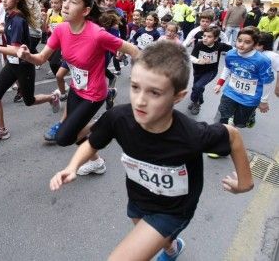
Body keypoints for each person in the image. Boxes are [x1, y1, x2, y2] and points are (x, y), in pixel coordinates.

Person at [49, 41, 254, 261]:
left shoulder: (191, 135)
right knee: (151, 232)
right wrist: (72, 166)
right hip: (138, 198)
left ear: (178, 96)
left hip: (175, 209)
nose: (140, 100)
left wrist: (245, 183)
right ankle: (172, 248)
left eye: (155, 93)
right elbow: (92, 142)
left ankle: (169, 244)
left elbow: (232, 134)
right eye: (135, 87)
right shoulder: (118, 118)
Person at [17, 0, 139, 174]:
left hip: (94, 94)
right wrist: (26, 56)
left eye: (72, 2)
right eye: (65, 0)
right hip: (76, 88)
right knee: (77, 132)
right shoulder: (61, 30)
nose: (65, 5)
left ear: (86, 10)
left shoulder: (97, 34)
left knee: (64, 137)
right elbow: (41, 58)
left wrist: (140, 80)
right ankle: (97, 162)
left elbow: (132, 49)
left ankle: (109, 122)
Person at [0, 0, 61, 142]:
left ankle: (51, 98)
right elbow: (7, 31)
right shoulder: (9, 14)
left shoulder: (19, 20)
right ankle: (1, 130)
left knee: (29, 101)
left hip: (23, 66)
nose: (4, 0)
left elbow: (16, 50)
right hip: (12, 64)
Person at [214, 27, 274, 132]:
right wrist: (220, 83)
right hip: (230, 92)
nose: (241, 45)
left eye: (247, 42)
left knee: (240, 123)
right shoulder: (231, 54)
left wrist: (264, 101)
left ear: (255, 45)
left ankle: (250, 116)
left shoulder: (262, 61)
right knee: (222, 117)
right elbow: (227, 68)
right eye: (239, 40)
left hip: (249, 98)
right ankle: (219, 137)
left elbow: (267, 81)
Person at [188, 27, 232, 115]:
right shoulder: (199, 44)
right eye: (204, 36)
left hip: (210, 71)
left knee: (198, 86)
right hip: (197, 70)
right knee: (196, 87)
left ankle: (197, 103)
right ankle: (195, 100)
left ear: (215, 38)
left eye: (209, 36)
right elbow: (191, 57)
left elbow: (232, 48)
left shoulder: (219, 45)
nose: (205, 38)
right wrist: (199, 61)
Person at [256, 33, 279, 97]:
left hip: (263, 86)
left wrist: (277, 86)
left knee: (262, 105)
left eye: (256, 43)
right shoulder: (253, 52)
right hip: (250, 84)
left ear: (262, 45)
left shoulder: (272, 56)